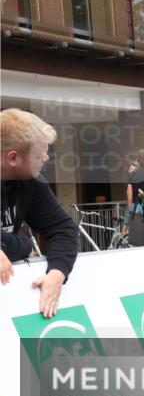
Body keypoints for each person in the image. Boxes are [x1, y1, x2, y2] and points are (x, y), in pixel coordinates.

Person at [0, 109, 79, 318]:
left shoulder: (31, 182)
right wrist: (24, 245)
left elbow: (63, 229)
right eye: (38, 155)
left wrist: (57, 272)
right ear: (13, 158)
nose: (46, 158)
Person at [125, 149, 144, 246]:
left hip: (135, 207)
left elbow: (129, 196)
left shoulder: (132, 174)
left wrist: (130, 211)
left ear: (137, 159)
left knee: (137, 239)